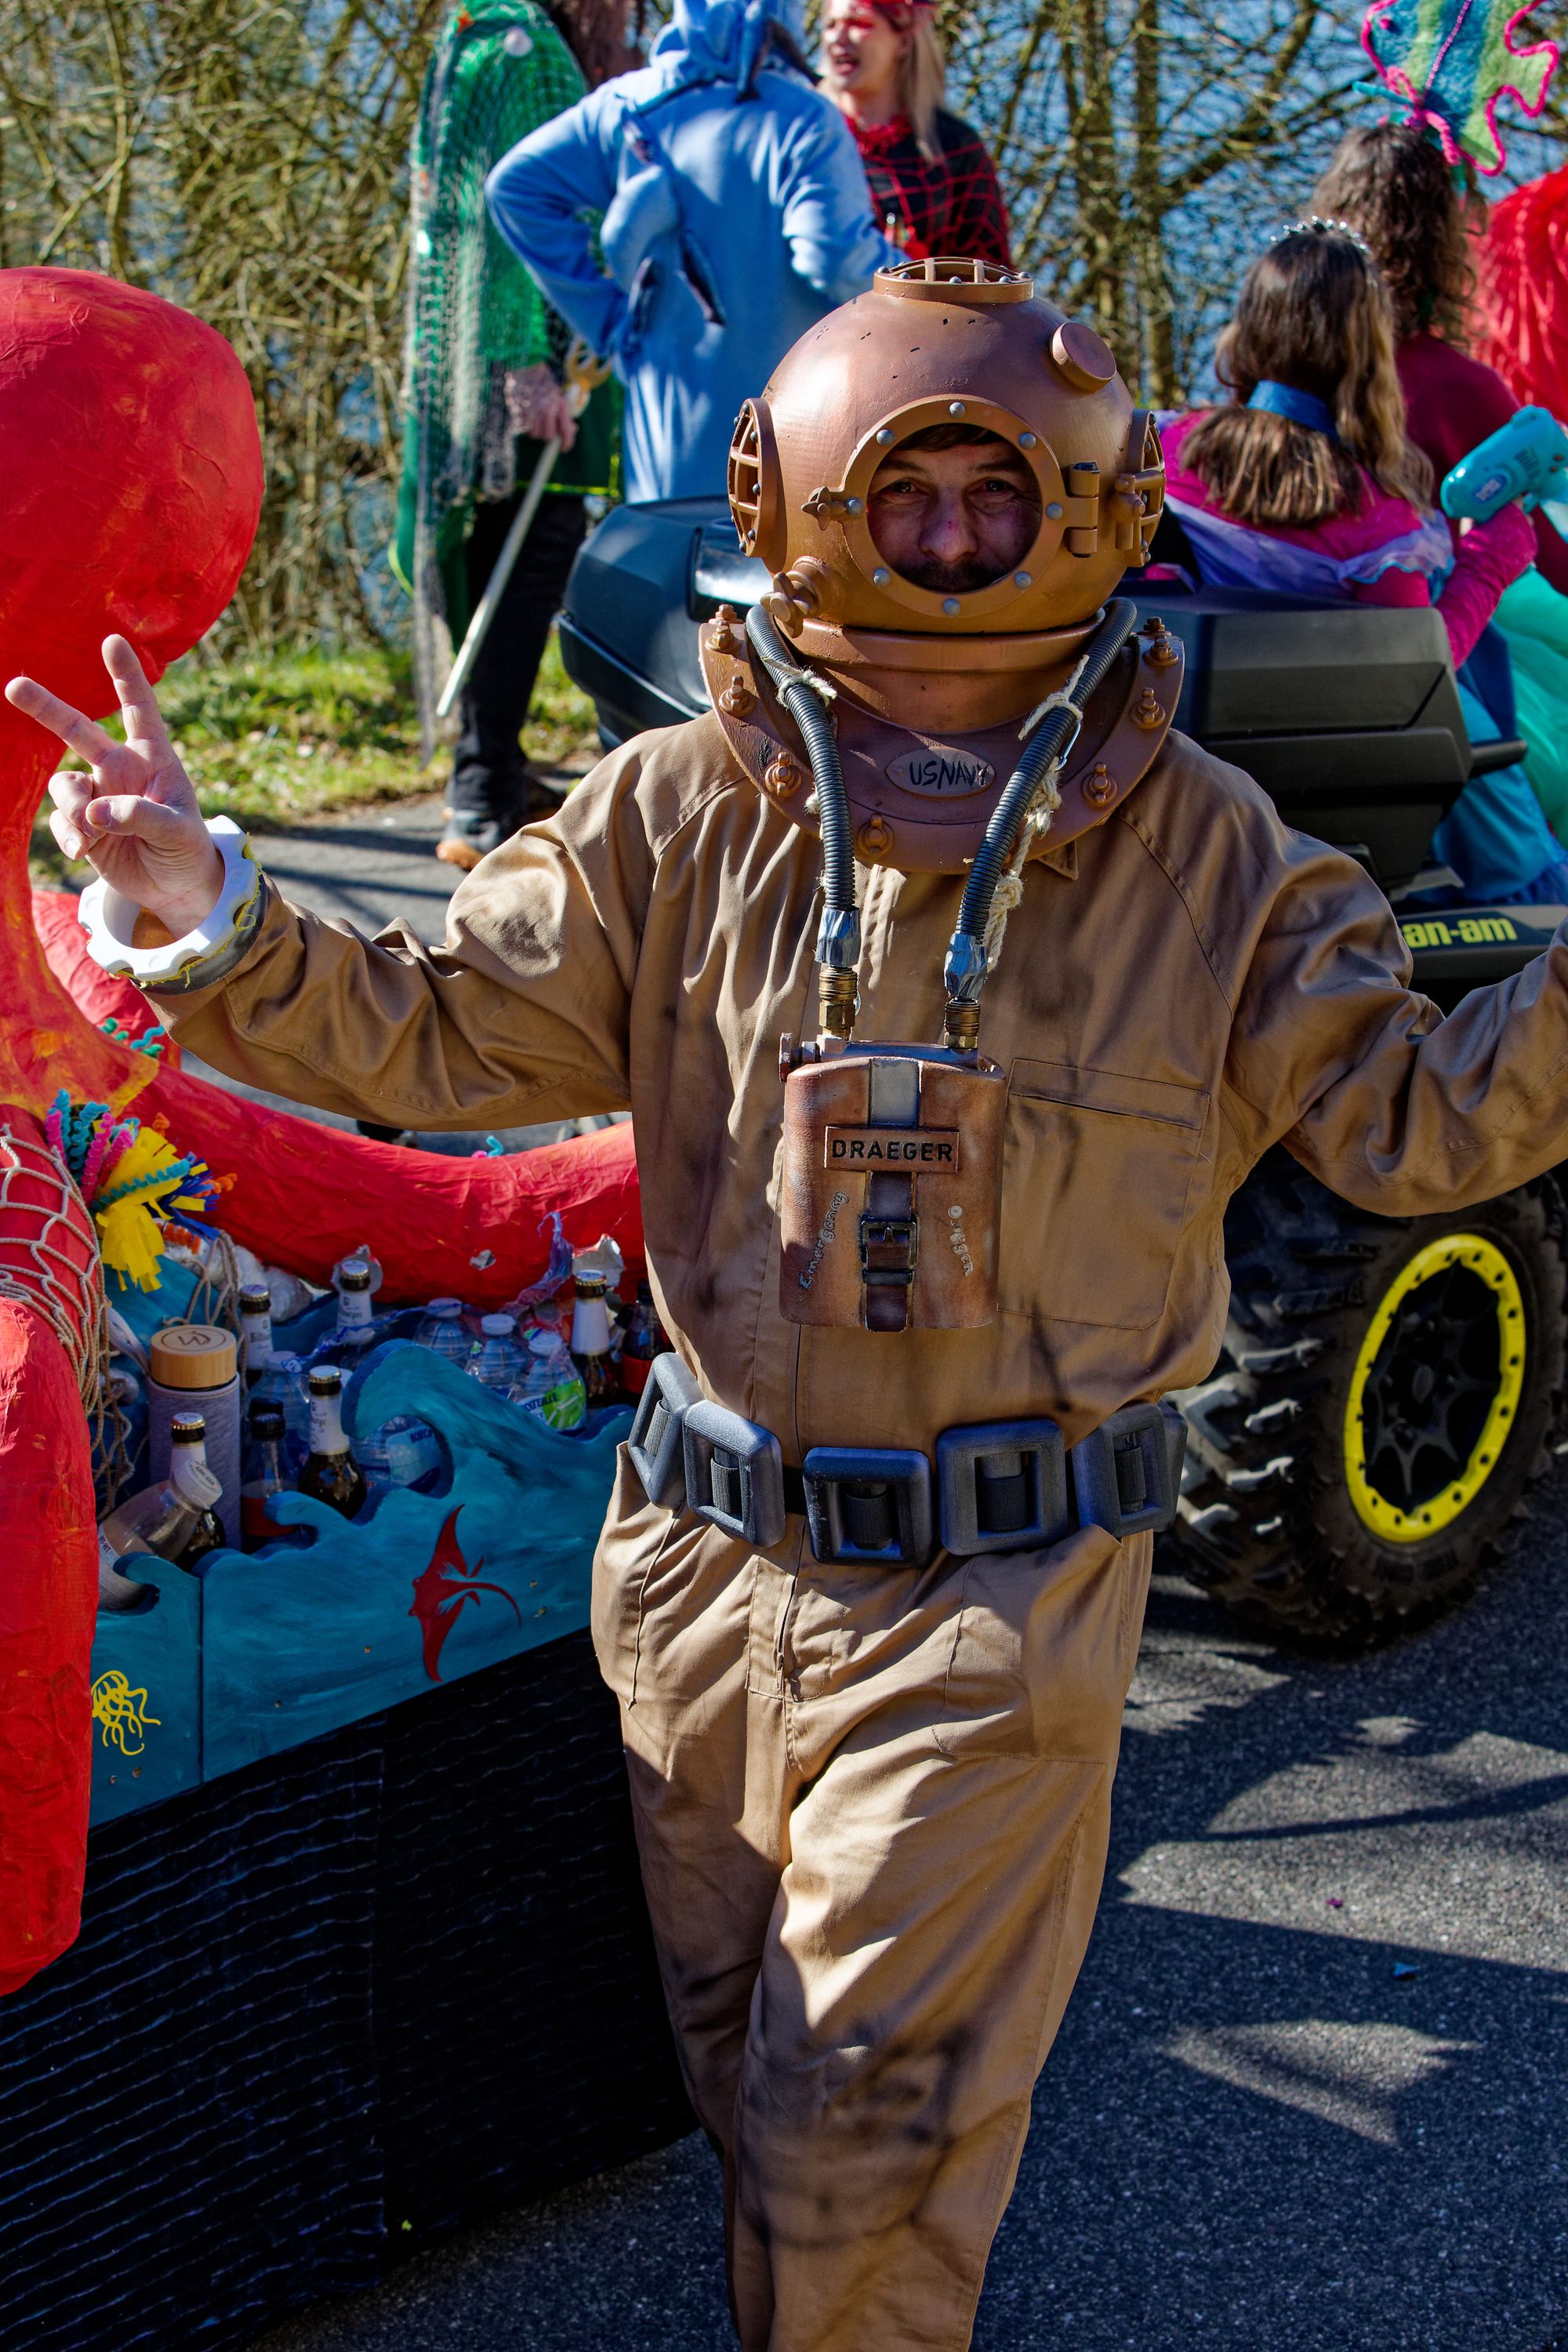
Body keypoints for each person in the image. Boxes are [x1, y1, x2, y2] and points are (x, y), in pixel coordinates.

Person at [26, 257, 1568, 2350]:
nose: (948, 542)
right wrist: (207, 907)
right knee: (757, 2104)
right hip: (698, 1583)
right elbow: (442, 1032)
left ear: (1100, 509)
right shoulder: (678, 809)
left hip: (993, 1603)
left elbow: (1418, 1112)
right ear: (791, 500)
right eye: (903, 494)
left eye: (998, 497)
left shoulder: (1211, 859)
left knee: (853, 2139)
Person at [1160, 221, 1566, 906]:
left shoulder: (1162, 451)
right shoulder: (1373, 518)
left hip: (1206, 795)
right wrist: (1488, 564)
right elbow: (1414, 679)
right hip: (1363, 819)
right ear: (1370, 350)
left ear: (1251, 327)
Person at [484, 0, 897, 503]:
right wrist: (918, 283)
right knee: (788, 554)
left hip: (665, 464)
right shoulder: (806, 118)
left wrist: (609, 325)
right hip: (790, 460)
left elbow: (514, 189)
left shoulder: (627, 106)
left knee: (670, 549)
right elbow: (833, 260)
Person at [394, 0, 622, 872]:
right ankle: (483, 794)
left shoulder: (474, 36)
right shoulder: (524, 51)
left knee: (493, 562)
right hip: (528, 369)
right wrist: (526, 363)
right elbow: (513, 212)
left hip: (463, 369)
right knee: (523, 568)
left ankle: (491, 776)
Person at [1313, 118, 1568, 597]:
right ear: (1441, 236)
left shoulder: (1279, 366)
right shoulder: (1453, 385)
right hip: (1422, 629)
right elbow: (1557, 559)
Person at [819, 0, 1011, 267]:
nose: (838, 38)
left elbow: (989, 274)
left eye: (859, 23)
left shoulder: (954, 148)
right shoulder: (803, 138)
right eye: (831, 25)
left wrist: (918, 270)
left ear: (904, 39)